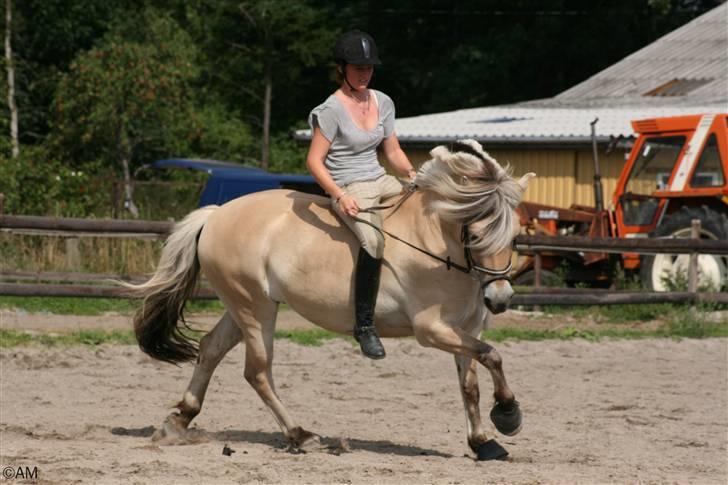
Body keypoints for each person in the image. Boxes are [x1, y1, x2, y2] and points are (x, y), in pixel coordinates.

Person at [306, 30, 417, 360]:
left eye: (369, 68)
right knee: (374, 242)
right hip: (350, 185)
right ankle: (365, 325)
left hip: (381, 179)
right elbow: (314, 161)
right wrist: (339, 195)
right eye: (358, 68)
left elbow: (392, 150)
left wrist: (412, 175)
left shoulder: (382, 101)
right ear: (342, 68)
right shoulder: (330, 110)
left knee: (423, 211)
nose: (365, 73)